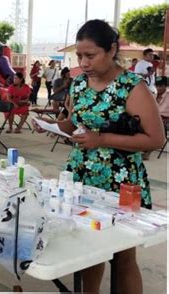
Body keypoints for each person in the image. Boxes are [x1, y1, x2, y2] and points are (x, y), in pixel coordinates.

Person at [33, 20, 164, 293]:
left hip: (121, 180)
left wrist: (101, 139)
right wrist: (51, 126)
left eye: (90, 55)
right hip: (83, 175)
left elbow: (155, 139)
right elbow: (73, 122)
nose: (84, 62)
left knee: (123, 255)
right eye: (79, 56)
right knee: (87, 249)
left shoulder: (132, 87)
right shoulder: (79, 84)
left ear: (112, 49)